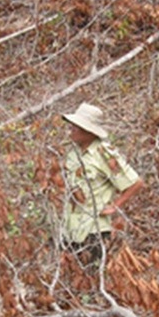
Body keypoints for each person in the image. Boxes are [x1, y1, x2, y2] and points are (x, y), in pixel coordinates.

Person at [60, 102, 143, 265]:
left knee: (89, 279)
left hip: (93, 229)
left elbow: (135, 183)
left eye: (77, 126)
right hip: (70, 227)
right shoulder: (73, 152)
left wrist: (115, 206)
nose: (72, 129)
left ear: (89, 131)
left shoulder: (103, 154)